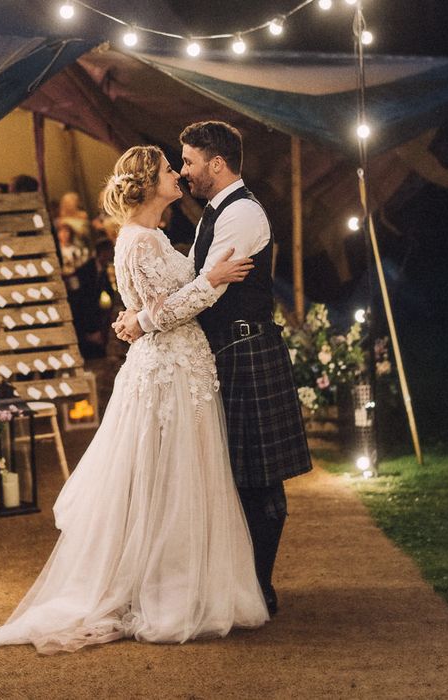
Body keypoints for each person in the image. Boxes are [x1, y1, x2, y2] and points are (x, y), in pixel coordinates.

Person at [0, 145, 268, 654]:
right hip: (166, 373)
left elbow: (155, 307)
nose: (178, 174)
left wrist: (156, 308)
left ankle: (187, 583)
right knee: (166, 476)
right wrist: (211, 280)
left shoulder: (155, 236)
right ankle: (162, 590)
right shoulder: (137, 242)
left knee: (187, 474)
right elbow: (168, 308)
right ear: (146, 183)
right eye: (167, 170)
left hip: (183, 369)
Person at [113, 122, 312, 615]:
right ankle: (230, 582)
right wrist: (143, 311)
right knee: (227, 473)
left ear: (216, 164)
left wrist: (141, 317)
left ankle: (257, 587)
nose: (183, 171)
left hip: (246, 351)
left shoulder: (241, 214)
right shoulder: (208, 217)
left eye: (189, 161)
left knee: (258, 477)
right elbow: (189, 284)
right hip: (217, 354)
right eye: (176, 164)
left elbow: (208, 289)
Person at [70, 238, 115, 359]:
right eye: (111, 251)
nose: (112, 255)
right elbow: (82, 299)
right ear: (103, 252)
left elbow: (108, 290)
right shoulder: (86, 270)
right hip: (84, 312)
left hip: (94, 310)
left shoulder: (103, 269)